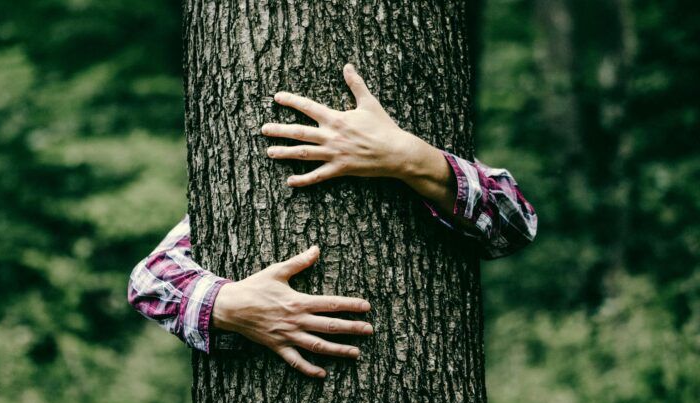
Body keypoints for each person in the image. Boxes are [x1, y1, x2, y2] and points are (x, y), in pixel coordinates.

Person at [127, 64, 537, 379]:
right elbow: (149, 280)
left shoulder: (423, 149)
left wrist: (410, 158)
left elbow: (516, 223)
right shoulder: (237, 198)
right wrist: (228, 304)